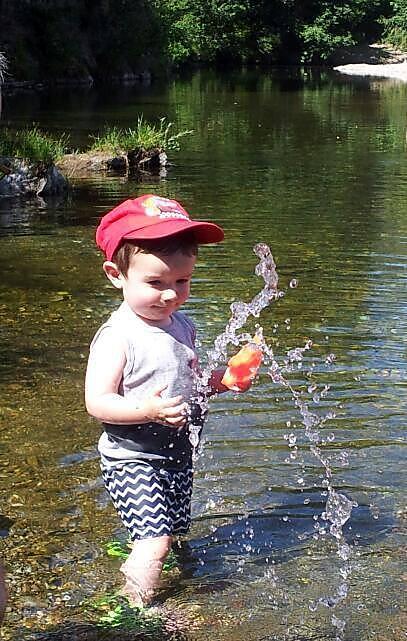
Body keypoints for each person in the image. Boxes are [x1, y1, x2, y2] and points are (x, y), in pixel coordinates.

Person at [85, 193, 240, 606]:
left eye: (181, 282)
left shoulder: (182, 326)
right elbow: (97, 402)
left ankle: (139, 551)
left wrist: (217, 381)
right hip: (132, 458)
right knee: (156, 543)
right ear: (116, 274)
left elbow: (188, 384)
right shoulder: (118, 336)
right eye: (155, 283)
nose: (170, 295)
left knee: (169, 532)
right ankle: (131, 610)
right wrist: (147, 410)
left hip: (176, 454)